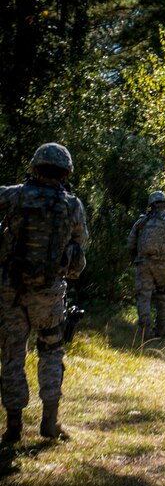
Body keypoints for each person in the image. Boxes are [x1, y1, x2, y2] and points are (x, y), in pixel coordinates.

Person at [0, 143, 88, 443]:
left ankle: (13, 427)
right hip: (49, 292)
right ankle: (49, 422)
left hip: (10, 289)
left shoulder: (13, 195)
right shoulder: (72, 205)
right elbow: (79, 249)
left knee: (12, 355)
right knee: (50, 352)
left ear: (36, 167)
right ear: (65, 172)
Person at [127, 191, 165, 340]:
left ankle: (144, 332)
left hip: (143, 263)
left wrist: (135, 258)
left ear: (151, 205)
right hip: (163, 265)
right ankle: (162, 330)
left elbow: (130, 242)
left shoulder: (142, 222)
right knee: (163, 296)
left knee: (143, 296)